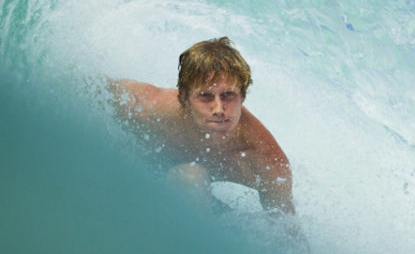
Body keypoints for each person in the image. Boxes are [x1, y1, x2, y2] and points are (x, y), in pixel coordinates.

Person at [108, 37, 294, 214]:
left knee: (190, 177)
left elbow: (287, 234)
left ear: (243, 96)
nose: (219, 109)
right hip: (131, 183)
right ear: (185, 99)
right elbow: (87, 88)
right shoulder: (146, 106)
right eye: (205, 96)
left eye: (228, 95)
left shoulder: (265, 159)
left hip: (196, 207)